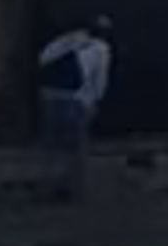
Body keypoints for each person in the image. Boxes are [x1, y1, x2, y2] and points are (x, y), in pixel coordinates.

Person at [34, 14, 111, 194]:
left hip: (49, 94)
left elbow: (43, 58)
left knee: (52, 144)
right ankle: (74, 187)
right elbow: (99, 78)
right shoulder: (100, 49)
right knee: (76, 146)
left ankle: (49, 184)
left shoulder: (68, 39)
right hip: (75, 98)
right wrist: (94, 101)